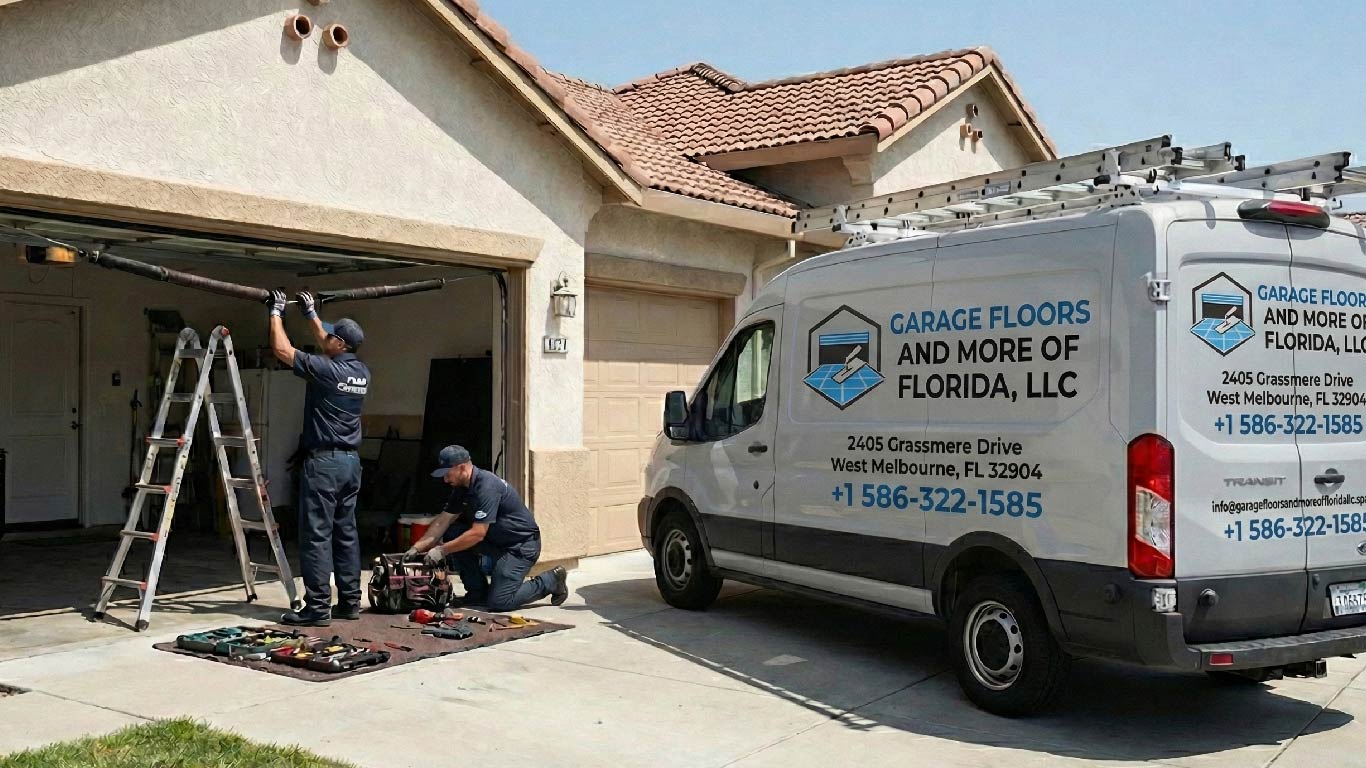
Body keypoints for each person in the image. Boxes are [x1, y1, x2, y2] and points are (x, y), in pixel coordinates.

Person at [267, 288, 370, 627]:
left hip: (324, 464)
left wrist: (276, 312)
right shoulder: (361, 372)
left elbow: (282, 350)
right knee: (345, 533)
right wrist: (311, 314)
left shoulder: (327, 371)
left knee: (316, 535)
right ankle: (350, 602)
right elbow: (328, 338)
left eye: (332, 336)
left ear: (340, 345)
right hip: (351, 464)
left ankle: (317, 608)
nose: (326, 337)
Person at [407, 445, 568, 611]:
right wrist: (416, 548)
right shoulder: (462, 488)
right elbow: (443, 521)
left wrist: (441, 551)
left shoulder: (487, 486)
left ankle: (551, 580)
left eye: (447, 473)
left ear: (461, 467)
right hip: (497, 542)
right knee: (452, 532)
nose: (445, 480)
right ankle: (477, 593)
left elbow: (477, 534)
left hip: (520, 547)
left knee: (500, 602)